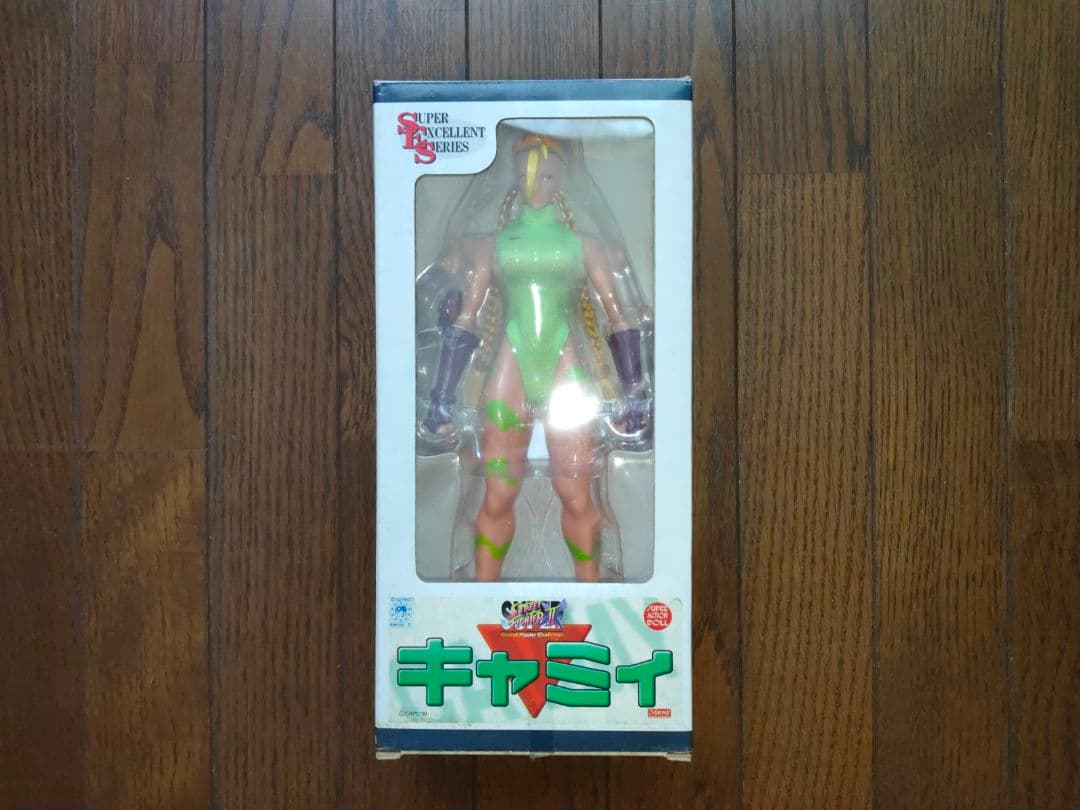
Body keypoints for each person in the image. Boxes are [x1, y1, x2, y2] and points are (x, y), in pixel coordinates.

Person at [424, 133, 650, 582]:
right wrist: (441, 397)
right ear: (514, 174)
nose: (536, 184)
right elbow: (468, 315)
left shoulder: (583, 244)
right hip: (511, 358)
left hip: (566, 363)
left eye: (546, 175)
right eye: (528, 173)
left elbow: (618, 314)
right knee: (497, 493)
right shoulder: (495, 244)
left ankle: (591, 590)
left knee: (576, 492)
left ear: (561, 178)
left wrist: (633, 392)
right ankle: (482, 591)